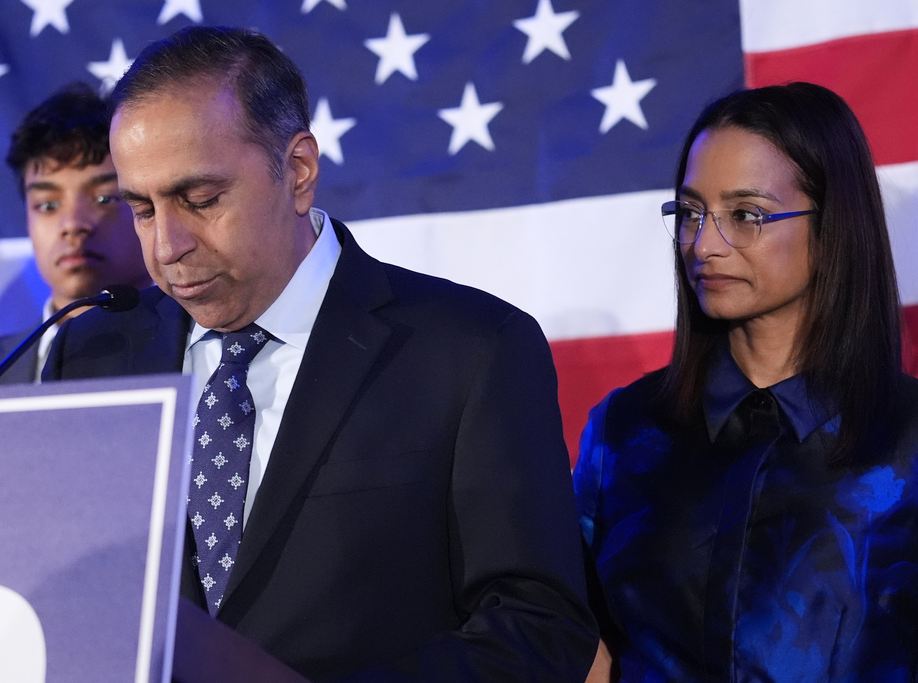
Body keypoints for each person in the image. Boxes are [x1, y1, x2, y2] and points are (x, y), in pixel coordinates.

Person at [43, 26, 598, 682]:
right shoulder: (91, 358)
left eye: (200, 199)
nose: (167, 246)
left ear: (298, 171)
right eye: (141, 208)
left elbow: (538, 624)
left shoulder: (470, 351)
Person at [575, 82, 918, 681]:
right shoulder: (624, 433)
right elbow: (586, 645)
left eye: (746, 215)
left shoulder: (908, 438)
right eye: (689, 213)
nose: (704, 245)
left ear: (833, 222)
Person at [0, 83, 150, 389]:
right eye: (48, 205)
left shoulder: (199, 354)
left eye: (105, 198)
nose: (73, 224)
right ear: (27, 218)